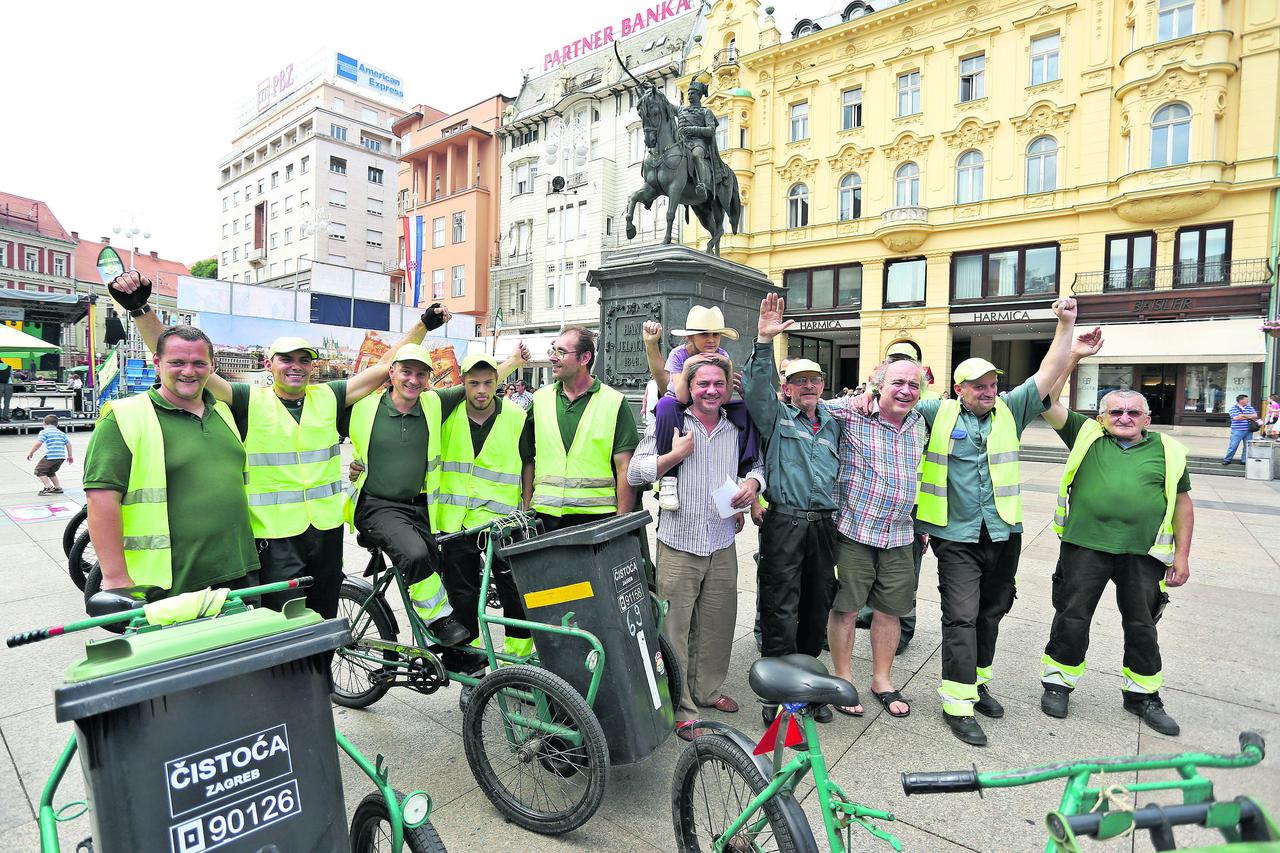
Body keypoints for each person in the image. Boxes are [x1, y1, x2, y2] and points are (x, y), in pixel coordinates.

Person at [110, 269, 443, 620]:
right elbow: (187, 363)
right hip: (275, 539)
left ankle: (320, 675)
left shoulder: (328, 396)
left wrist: (423, 325)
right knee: (282, 625)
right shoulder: (247, 400)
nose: (296, 367)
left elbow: (388, 366)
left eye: (304, 360)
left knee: (324, 619)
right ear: (270, 364)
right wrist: (140, 311)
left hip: (326, 534)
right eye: (286, 359)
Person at [856, 299, 1079, 745]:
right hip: (955, 536)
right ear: (959, 390)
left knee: (992, 613)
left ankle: (977, 686)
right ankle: (957, 704)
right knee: (960, 616)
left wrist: (1065, 324)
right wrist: (867, 391)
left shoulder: (1011, 411)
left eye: (993, 384)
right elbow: (897, 400)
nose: (988, 391)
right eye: (978, 386)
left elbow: (1049, 372)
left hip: (1003, 532)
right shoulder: (938, 412)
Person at [1038, 329, 1191, 735]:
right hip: (1084, 547)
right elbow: (1046, 400)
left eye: (1133, 412)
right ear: (1101, 417)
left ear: (1147, 418)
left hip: (1143, 553)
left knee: (1142, 623)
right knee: (1072, 616)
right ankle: (1058, 684)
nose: (1124, 418)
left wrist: (1183, 556)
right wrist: (1074, 357)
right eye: (1115, 412)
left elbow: (1184, 505)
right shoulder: (1085, 434)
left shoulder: (1168, 450)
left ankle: (1142, 694)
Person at [630, 356, 764, 739]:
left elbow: (756, 466)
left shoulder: (734, 425)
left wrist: (752, 485)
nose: (711, 390)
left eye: (718, 384)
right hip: (678, 545)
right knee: (674, 630)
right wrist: (674, 455)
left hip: (721, 542)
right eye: (702, 383)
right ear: (689, 386)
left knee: (718, 625)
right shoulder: (669, 421)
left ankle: (708, 691)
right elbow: (636, 472)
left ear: (728, 388)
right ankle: (681, 705)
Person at [83, 325, 258, 599]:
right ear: (157, 363)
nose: (189, 371)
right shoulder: (124, 418)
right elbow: (100, 500)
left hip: (239, 572)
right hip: (168, 583)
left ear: (212, 367)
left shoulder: (222, 412)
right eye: (177, 362)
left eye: (199, 363)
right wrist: (115, 579)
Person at [745, 294, 842, 726]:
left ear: (823, 386)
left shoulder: (837, 421)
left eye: (814, 381)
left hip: (824, 526)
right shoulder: (777, 418)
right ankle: (777, 692)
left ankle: (809, 686)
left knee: (816, 605)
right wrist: (764, 341)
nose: (807, 387)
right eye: (799, 381)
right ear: (787, 387)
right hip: (784, 523)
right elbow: (754, 389)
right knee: (779, 605)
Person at [823, 358, 926, 719]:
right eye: (898, 382)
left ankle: (882, 680)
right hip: (854, 530)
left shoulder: (918, 421)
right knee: (846, 608)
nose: (906, 391)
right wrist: (857, 396)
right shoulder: (853, 414)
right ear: (879, 385)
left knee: (891, 611)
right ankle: (843, 678)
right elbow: (811, 403)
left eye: (914, 385)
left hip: (899, 533)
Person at [434, 349, 536, 668]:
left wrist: (529, 507)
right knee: (462, 596)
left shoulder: (517, 417)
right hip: (456, 524)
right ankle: (472, 661)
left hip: (503, 522)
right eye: (474, 383)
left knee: (515, 591)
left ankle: (517, 662)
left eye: (488, 382)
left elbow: (529, 464)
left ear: (498, 383)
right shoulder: (447, 415)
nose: (481, 391)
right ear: (462, 383)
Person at [528, 326, 638, 531]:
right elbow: (526, 460)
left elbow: (625, 468)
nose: (553, 358)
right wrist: (526, 511)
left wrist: (620, 525)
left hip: (596, 519)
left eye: (561, 352)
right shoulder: (539, 399)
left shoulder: (613, 402)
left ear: (585, 357)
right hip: (544, 517)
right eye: (553, 350)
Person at [642, 306, 748, 512]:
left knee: (744, 409)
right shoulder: (679, 355)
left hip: (710, 404)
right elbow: (681, 396)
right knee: (665, 405)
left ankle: (743, 477)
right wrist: (691, 363)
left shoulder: (722, 354)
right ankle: (669, 479)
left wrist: (728, 366)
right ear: (691, 337)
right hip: (681, 404)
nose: (711, 339)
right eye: (704, 334)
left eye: (716, 334)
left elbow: (725, 398)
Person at [28, 414, 72, 495]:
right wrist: (70, 455)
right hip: (61, 457)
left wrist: (31, 452)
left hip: (51, 456)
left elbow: (39, 443)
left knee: (39, 470)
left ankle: (48, 487)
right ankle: (58, 487)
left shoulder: (44, 432)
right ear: (57, 424)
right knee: (51, 472)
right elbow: (68, 444)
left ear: (45, 423)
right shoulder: (61, 433)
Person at [1223, 393, 1261, 465]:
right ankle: (1227, 459)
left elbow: (1255, 416)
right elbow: (1237, 418)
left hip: (1249, 430)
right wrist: (1249, 416)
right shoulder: (1233, 408)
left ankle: (1244, 460)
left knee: (1247, 446)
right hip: (1237, 430)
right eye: (1246, 399)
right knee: (1233, 445)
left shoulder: (1250, 407)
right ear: (1240, 400)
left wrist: (1243, 415)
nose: (1248, 401)